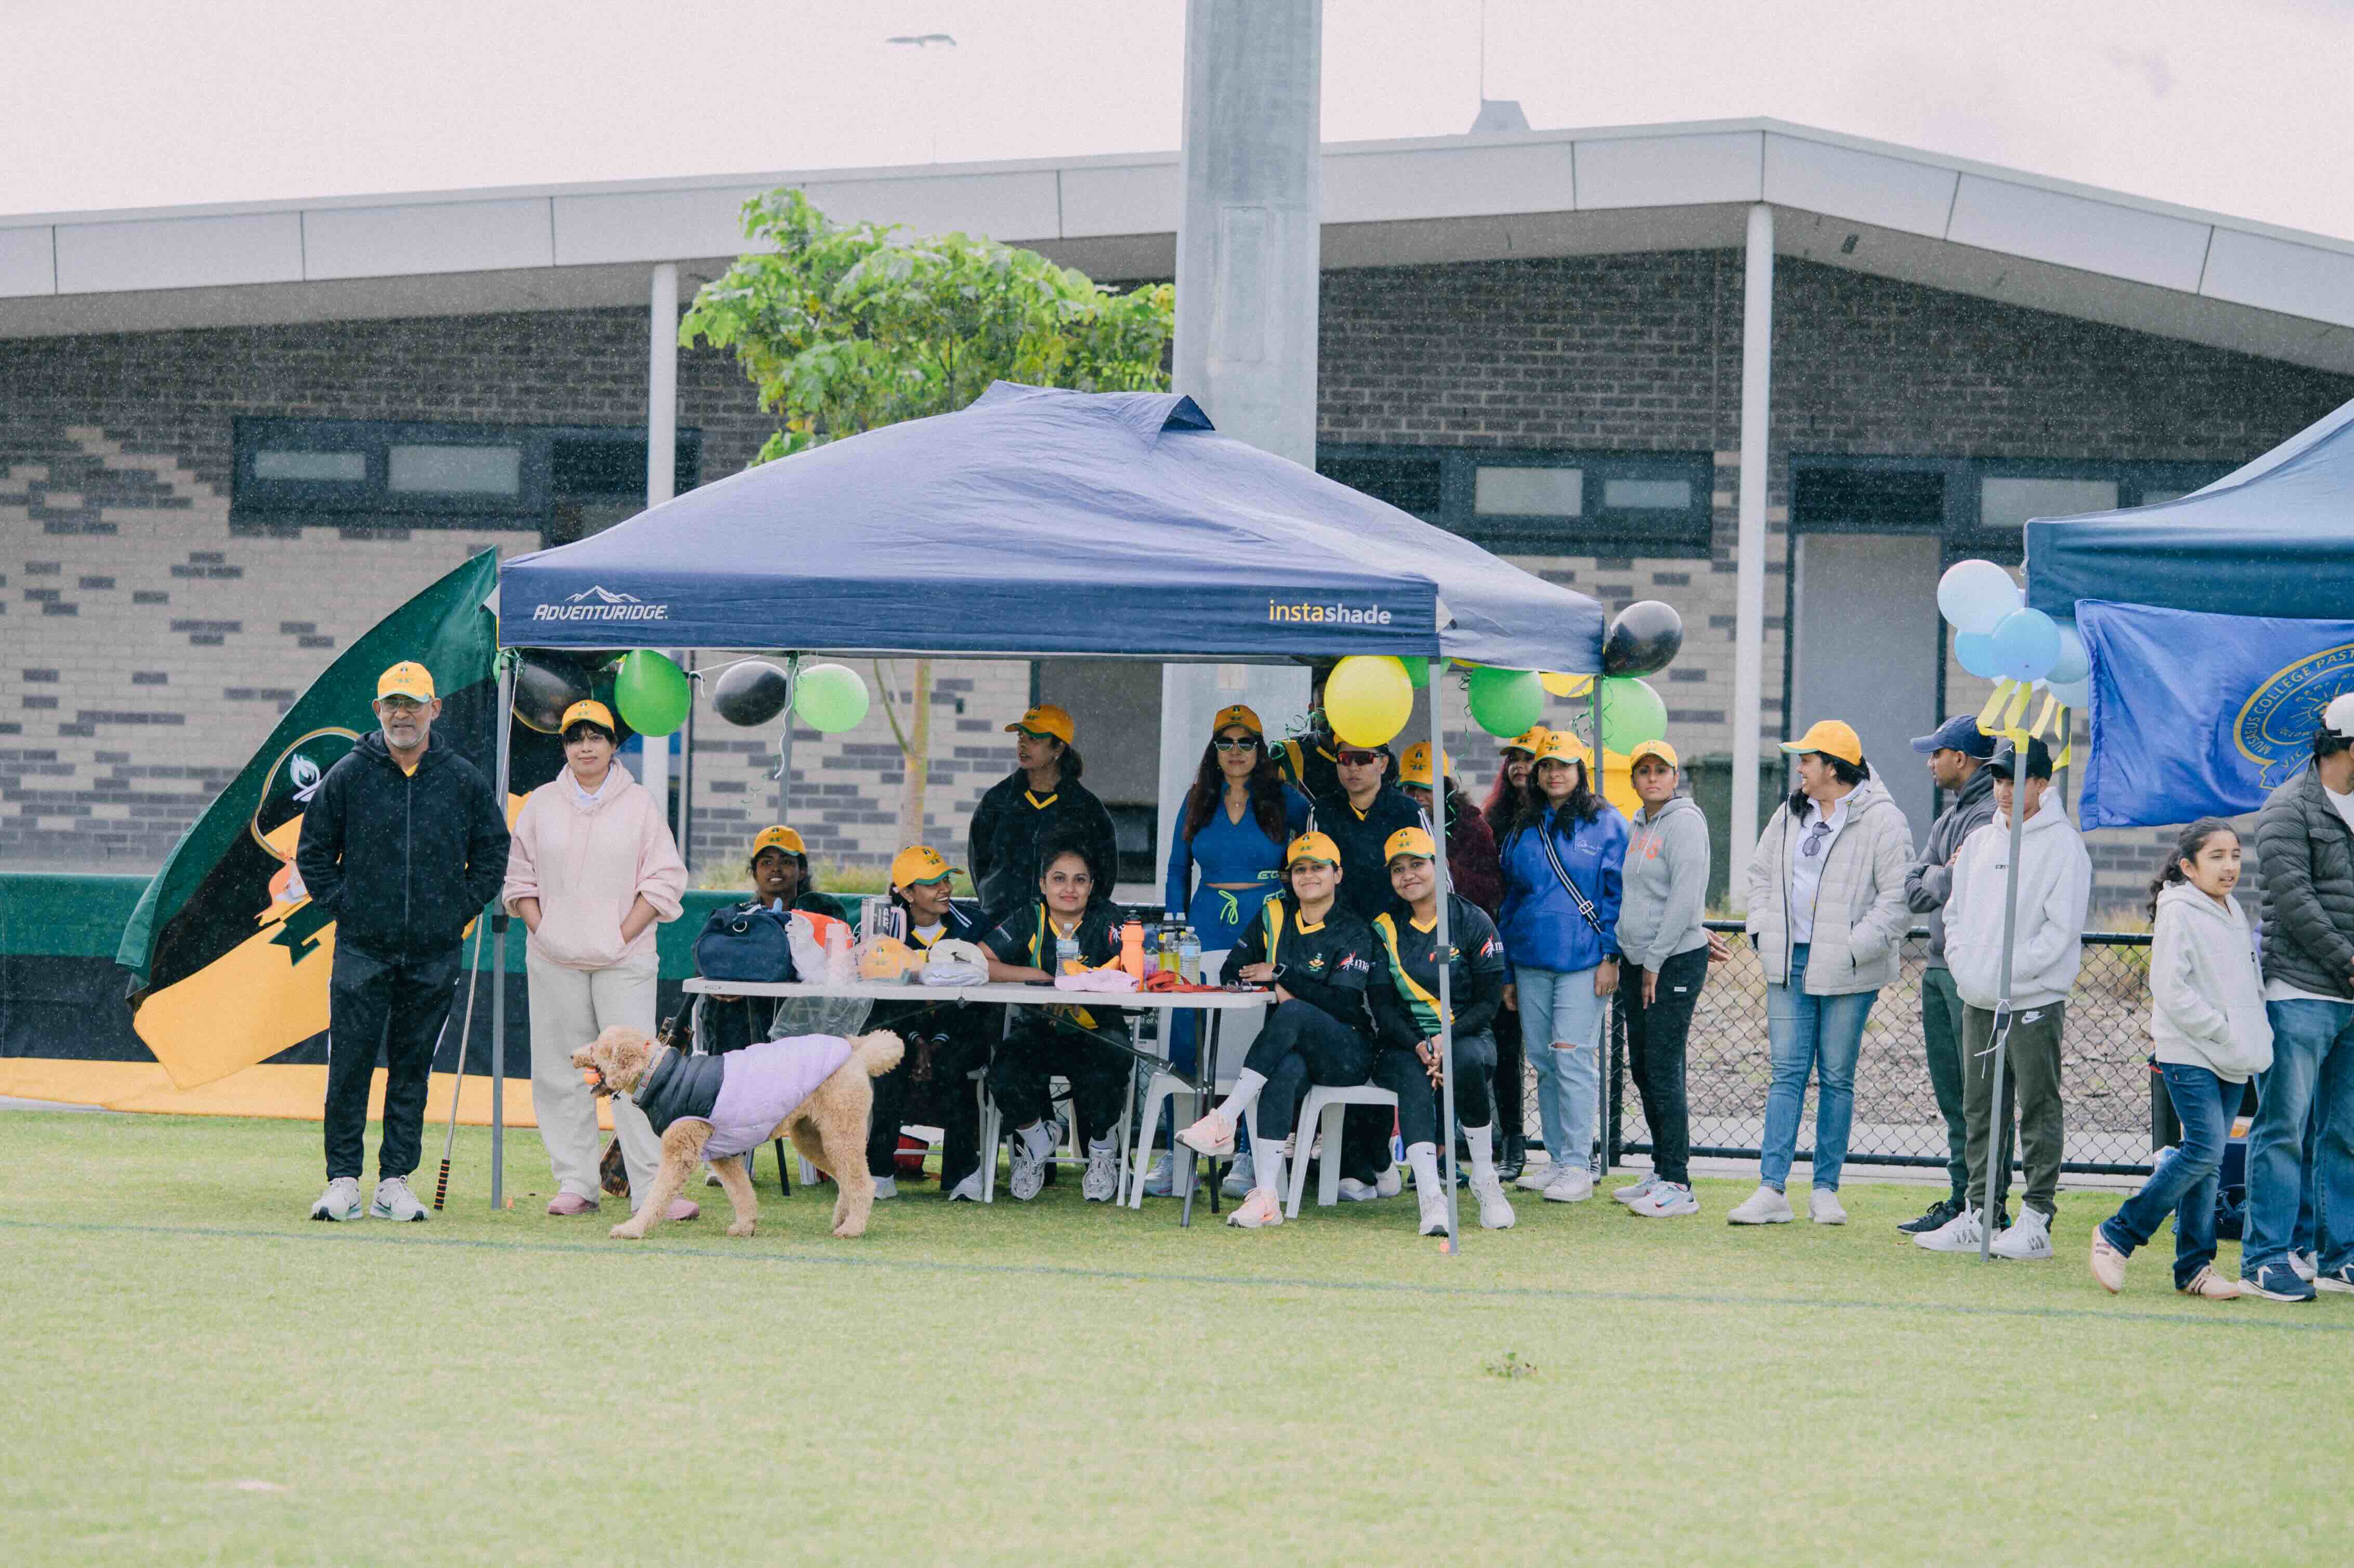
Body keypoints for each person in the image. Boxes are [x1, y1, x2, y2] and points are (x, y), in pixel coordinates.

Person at [297, 660, 509, 1223]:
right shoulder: (348, 773)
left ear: (434, 709)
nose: (402, 713)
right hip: (361, 949)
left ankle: (395, 1181)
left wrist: (458, 908)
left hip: (435, 952)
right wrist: (349, 906)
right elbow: (314, 852)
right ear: (377, 710)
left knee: (412, 1069)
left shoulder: (462, 778)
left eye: (413, 703)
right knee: (350, 1067)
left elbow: (492, 853)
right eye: (392, 703)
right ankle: (343, 1180)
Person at [502, 699, 693, 1220]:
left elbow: (664, 879)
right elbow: (518, 881)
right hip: (552, 959)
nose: (585, 746)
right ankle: (577, 1182)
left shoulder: (641, 805)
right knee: (560, 1070)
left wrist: (621, 933)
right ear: (564, 745)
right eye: (574, 737)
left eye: (596, 736)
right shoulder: (541, 804)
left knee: (636, 1072)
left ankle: (655, 1188)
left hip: (625, 959)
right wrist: (547, 933)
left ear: (613, 745)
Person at [1730, 719, 1911, 1227]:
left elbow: (1896, 901)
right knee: (1786, 1074)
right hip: (1788, 962)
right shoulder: (1789, 815)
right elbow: (1760, 875)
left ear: (1832, 766)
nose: (1800, 768)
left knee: (1835, 1077)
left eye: (1807, 759)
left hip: (1849, 970)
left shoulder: (1884, 821)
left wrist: (1854, 948)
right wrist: (1763, 930)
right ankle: (1771, 1190)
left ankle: (1825, 1189)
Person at [1914, 737, 2090, 1259]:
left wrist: (2011, 975)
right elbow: (1955, 914)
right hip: (1979, 996)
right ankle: (1980, 1213)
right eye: (1999, 780)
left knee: (2037, 1105)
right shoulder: (1983, 843)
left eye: (2018, 780)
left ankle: (2036, 1219)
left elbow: (2059, 933)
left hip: (2034, 1000)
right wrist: (1973, 970)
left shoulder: (2064, 846)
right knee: (1980, 1108)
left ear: (2043, 782)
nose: (2006, 791)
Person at [2089, 820, 2270, 1299]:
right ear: (2188, 866)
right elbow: (2169, 989)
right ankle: (2118, 1233)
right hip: (2189, 1051)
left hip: (2231, 1056)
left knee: (2207, 1164)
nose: (2230, 866)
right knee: (2205, 1150)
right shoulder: (2179, 911)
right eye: (2216, 857)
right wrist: (2223, 1030)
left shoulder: (2231, 910)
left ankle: (2194, 1268)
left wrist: (2249, 1035)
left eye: (2235, 854)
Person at [1174, 832, 1378, 1229]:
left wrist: (1282, 976)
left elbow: (1343, 1003)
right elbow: (1234, 970)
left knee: (1298, 1012)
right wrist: (1283, 985)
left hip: (1348, 1051)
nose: (1308, 876)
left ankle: (1225, 1116)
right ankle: (1267, 1195)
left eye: (1318, 868)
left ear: (1338, 874)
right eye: (1299, 869)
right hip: (1293, 1050)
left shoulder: (1354, 929)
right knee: (1283, 1073)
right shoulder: (1274, 913)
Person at [1152, 703, 1310, 1196]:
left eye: (1246, 743)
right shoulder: (1198, 798)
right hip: (1203, 927)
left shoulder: (1289, 801)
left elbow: (1309, 867)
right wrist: (1175, 929)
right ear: (1214, 750)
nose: (1236, 751)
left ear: (1261, 751)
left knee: (1256, 1037)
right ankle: (1181, 1156)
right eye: (1226, 742)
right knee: (1188, 1036)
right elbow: (1179, 869)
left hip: (1267, 925)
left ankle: (1246, 1151)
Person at [2241, 692, 2354, 1301]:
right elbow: (2294, 902)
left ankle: (2339, 1256)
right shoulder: (2287, 808)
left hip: (2348, 998)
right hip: (2300, 992)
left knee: (2345, 1131)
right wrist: (2349, 962)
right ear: (2347, 747)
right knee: (2283, 1127)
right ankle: (2263, 1257)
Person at [1497, 729, 1627, 1204]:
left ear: (1581, 771)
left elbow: (1618, 895)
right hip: (1530, 960)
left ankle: (1578, 1163)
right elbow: (1512, 900)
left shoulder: (1608, 824)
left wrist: (1611, 956)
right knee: (1545, 1062)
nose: (1555, 774)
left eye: (1564, 765)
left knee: (1572, 1058)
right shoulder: (1523, 826)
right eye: (1547, 765)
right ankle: (1556, 1160)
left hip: (1584, 961)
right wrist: (1508, 972)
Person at [1368, 827, 1515, 1235]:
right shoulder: (1384, 928)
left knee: (1467, 1060)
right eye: (1398, 869)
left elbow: (1488, 1004)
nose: (1408, 875)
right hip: (1405, 1041)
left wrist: (1445, 1040)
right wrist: (1421, 1044)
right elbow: (1382, 1005)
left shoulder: (1472, 920)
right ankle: (1431, 1197)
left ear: (1439, 865)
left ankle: (1486, 1181)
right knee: (1412, 1076)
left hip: (1466, 1035)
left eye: (1417, 864)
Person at [980, 824, 1131, 1203]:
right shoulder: (1029, 918)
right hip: (1041, 1028)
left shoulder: (1109, 917)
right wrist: (1042, 978)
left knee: (1111, 1061)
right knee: (1005, 1069)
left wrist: (1081, 985)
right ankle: (1037, 1139)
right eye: (1059, 879)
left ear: (1092, 885)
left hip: (1096, 1028)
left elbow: (1132, 968)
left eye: (1080, 880)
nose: (1070, 888)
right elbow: (980, 960)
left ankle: (1101, 1150)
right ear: (1044, 885)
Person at [1307, 740, 1429, 1195]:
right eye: (1344, 759)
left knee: (1389, 1044)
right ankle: (1350, 1163)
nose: (1353, 768)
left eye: (1364, 759)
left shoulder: (1406, 809)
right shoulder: (1323, 810)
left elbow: (1435, 875)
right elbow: (1313, 873)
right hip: (1340, 945)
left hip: (1395, 944)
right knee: (1348, 1046)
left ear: (1383, 763)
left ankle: (1377, 1156)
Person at [1896, 714, 2000, 1236]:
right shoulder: (1950, 819)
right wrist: (1942, 873)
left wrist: (1938, 875)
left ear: (1960, 758)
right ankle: (1964, 1198)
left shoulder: (1988, 815)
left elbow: (1964, 882)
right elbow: (1913, 890)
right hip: (1939, 969)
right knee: (1952, 1095)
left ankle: (1986, 1203)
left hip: (1969, 972)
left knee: (1978, 1094)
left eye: (1936, 753)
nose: (1930, 762)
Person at [1610, 739, 1711, 1219]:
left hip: (1669, 963)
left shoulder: (1685, 824)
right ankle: (1660, 1166)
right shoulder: (1639, 825)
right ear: (1633, 779)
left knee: (1664, 1068)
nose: (1652, 777)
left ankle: (1679, 1181)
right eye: (1643, 770)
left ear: (1675, 777)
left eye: (1661, 770)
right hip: (1638, 960)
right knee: (1644, 1068)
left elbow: (1685, 901)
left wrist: (1654, 961)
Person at [863, 844, 997, 1203]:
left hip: (958, 1029)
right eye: (932, 883)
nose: (945, 889)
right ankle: (879, 1171)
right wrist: (914, 1039)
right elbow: (877, 1000)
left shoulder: (973, 925)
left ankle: (963, 1174)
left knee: (956, 1062)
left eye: (946, 879)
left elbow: (977, 998)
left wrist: (935, 1041)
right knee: (889, 1061)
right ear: (906, 893)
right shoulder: (879, 927)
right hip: (900, 1027)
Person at [697, 824, 843, 1057]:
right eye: (766, 862)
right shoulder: (737, 918)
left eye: (786, 861)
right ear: (754, 873)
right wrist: (719, 986)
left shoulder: (824, 914)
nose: (776, 868)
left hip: (803, 1017)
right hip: (742, 1021)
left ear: (802, 871)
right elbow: (704, 965)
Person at [968, 704, 1119, 921]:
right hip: (1000, 926)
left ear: (1058, 748)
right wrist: (995, 902)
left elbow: (1105, 874)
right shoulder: (998, 801)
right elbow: (979, 864)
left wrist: (1081, 919)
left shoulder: (1086, 808)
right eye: (1021, 737)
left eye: (1034, 739)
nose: (1023, 744)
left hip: (1063, 930)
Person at [1481, 726, 1548, 1180]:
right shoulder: (1493, 818)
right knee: (1505, 1048)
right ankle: (1512, 1142)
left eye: (1530, 757)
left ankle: (1571, 1152)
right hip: (1503, 946)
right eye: (1514, 759)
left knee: (1554, 1053)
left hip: (1549, 948)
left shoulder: (1565, 816)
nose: (1521, 766)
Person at [1397, 741, 1502, 915]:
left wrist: (1449, 870)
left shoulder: (1472, 827)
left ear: (1445, 788)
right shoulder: (1395, 825)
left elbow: (1494, 890)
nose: (1418, 796)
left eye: (1427, 789)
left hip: (1462, 925)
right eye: (1411, 788)